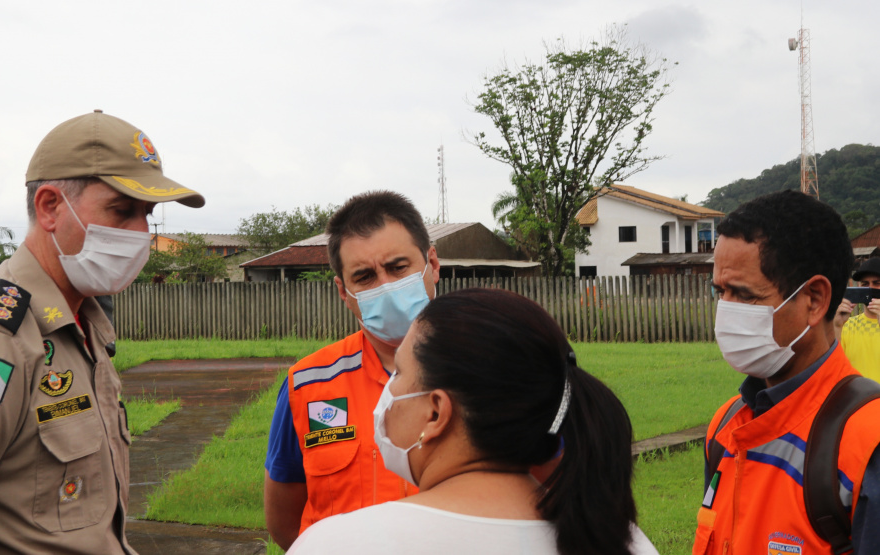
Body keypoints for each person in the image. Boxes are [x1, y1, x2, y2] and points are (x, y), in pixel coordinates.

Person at [0, 110, 204, 553]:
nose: (141, 233)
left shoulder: (84, 324)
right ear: (51, 207)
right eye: (121, 210)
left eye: (146, 214)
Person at [287, 288, 657, 555]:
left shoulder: (337, 544)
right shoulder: (624, 541)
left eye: (398, 372)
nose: (388, 390)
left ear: (435, 412)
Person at [696, 190, 880, 554]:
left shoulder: (868, 443)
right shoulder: (726, 427)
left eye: (745, 296)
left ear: (814, 300)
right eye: (720, 292)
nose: (726, 313)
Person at [263, 191, 439, 550]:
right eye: (364, 276)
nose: (386, 286)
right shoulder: (307, 384)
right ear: (344, 292)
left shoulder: (494, 370)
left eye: (398, 267)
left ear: (432, 264)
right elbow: (284, 522)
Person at [835, 257, 880, 381]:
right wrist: (837, 326)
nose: (870, 288)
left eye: (877, 283)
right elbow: (833, 367)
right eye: (865, 284)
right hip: (859, 399)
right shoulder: (847, 325)